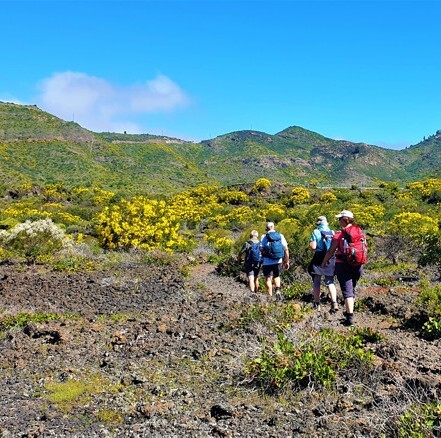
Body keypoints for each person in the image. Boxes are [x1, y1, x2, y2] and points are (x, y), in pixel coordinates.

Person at [321, 210, 363, 326]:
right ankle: (350, 311)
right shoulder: (360, 231)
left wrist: (324, 262)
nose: (338, 220)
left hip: (343, 264)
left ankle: (350, 318)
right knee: (352, 287)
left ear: (345, 219)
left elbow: (331, 251)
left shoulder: (339, 234)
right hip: (358, 264)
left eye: (340, 218)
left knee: (347, 290)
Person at [308, 216, 338, 312]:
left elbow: (313, 247)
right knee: (330, 281)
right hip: (330, 256)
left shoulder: (316, 231)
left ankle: (317, 304)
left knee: (317, 280)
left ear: (319, 223)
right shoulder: (332, 232)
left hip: (319, 257)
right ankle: (334, 302)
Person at [260, 222, 289, 299]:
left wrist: (263, 255)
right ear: (273, 227)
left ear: (267, 228)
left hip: (267, 261)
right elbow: (286, 249)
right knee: (277, 276)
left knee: (268, 278)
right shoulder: (280, 235)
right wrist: (287, 261)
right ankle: (278, 290)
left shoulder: (264, 236)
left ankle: (270, 296)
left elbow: (261, 248)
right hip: (278, 260)